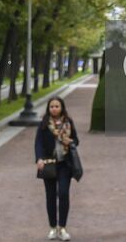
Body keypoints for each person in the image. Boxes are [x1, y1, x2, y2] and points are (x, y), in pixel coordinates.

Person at [35, 95, 79, 241]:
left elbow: (76, 141)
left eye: (57, 106)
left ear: (62, 108)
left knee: (64, 193)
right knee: (51, 196)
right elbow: (38, 143)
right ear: (49, 108)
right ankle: (53, 227)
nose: (54, 109)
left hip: (65, 164)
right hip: (48, 163)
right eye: (52, 106)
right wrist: (39, 158)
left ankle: (63, 227)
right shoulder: (44, 123)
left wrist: (70, 141)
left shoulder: (68, 122)